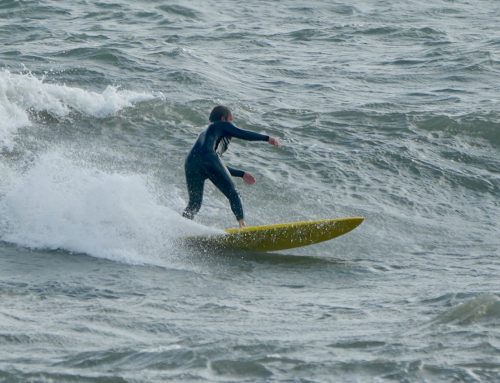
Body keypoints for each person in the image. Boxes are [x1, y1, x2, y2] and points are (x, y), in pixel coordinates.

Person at [182, 105, 280, 228]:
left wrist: (241, 174)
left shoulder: (206, 135)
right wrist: (268, 138)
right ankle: (243, 226)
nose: (232, 124)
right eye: (231, 120)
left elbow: (213, 165)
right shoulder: (221, 125)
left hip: (191, 163)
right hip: (208, 159)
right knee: (233, 193)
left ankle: (181, 226)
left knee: (194, 204)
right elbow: (242, 133)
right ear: (223, 119)